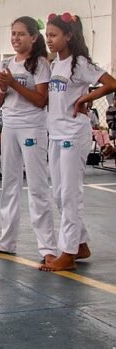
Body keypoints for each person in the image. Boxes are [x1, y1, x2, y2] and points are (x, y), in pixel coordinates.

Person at [39, 12, 116, 272]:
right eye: (47, 35)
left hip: (74, 134)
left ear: (68, 36)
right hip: (56, 133)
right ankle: (81, 244)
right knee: (60, 194)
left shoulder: (79, 63)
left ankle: (68, 252)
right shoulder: (55, 64)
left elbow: (110, 83)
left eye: (53, 35)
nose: (49, 40)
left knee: (70, 193)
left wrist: (85, 99)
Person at [0, 16, 57, 263]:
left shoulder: (41, 63)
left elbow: (41, 100)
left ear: (33, 37)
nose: (15, 38)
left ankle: (48, 248)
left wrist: (13, 83)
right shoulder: (6, 62)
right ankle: (6, 240)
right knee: (8, 184)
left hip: (32, 127)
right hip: (10, 125)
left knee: (37, 186)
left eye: (21, 34)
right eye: (13, 33)